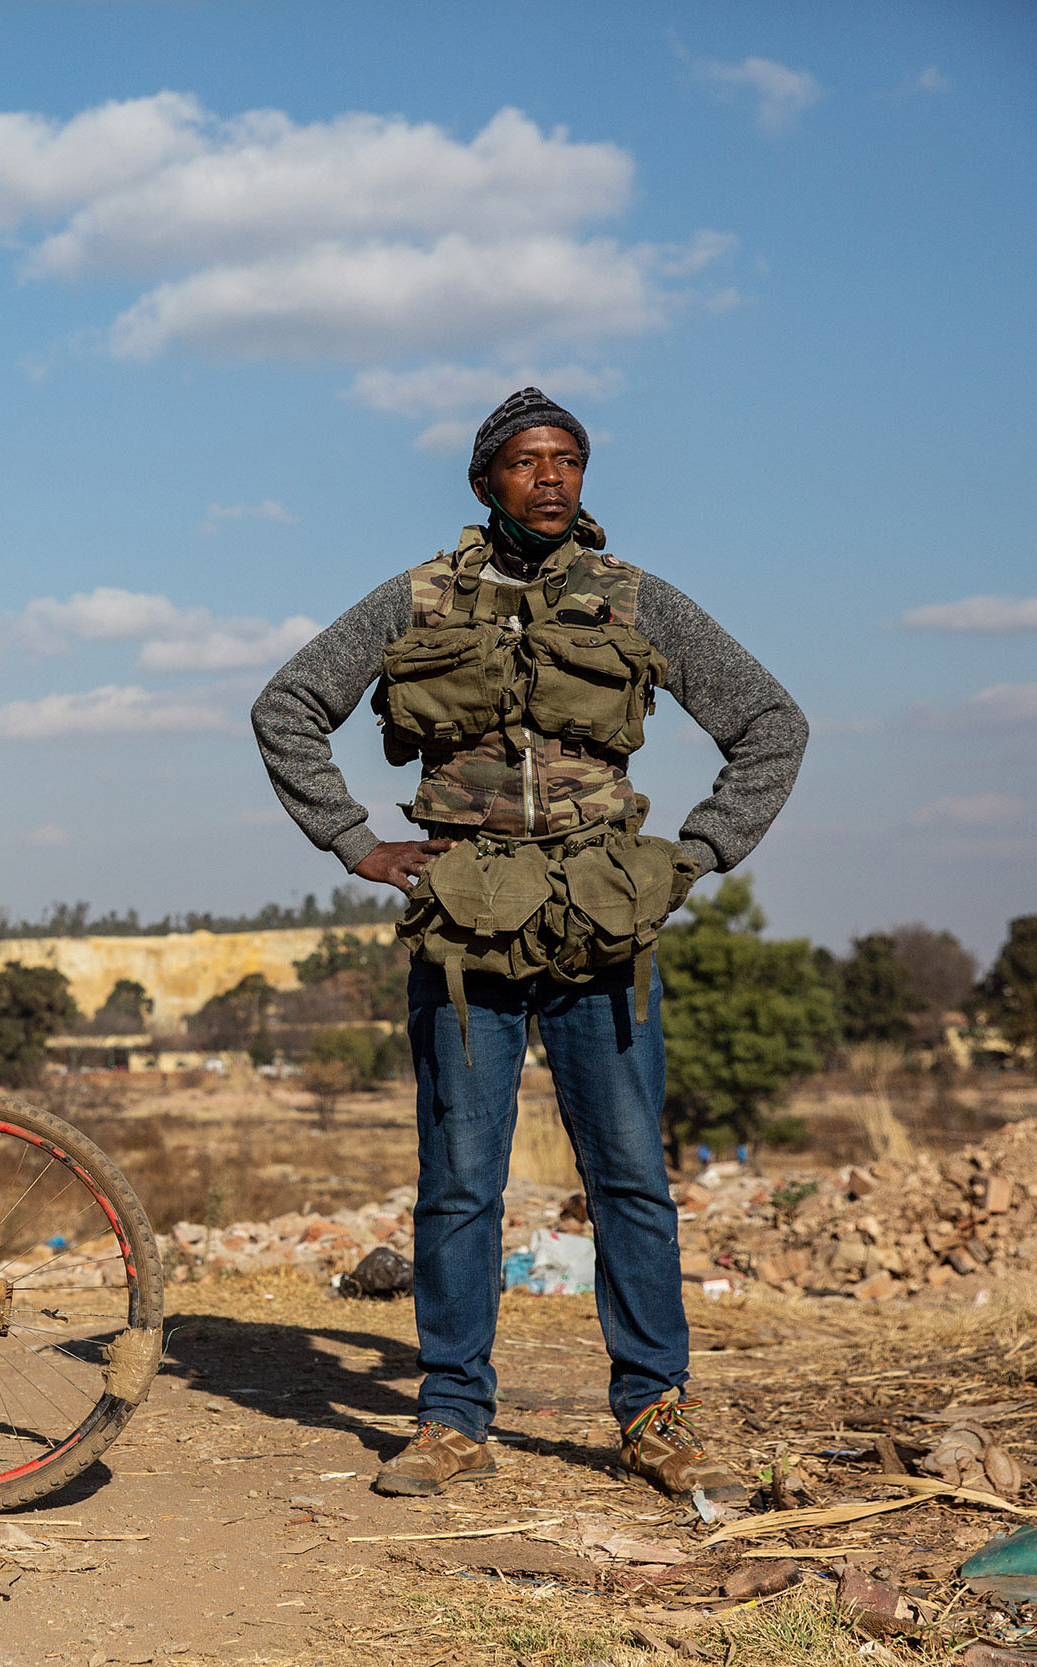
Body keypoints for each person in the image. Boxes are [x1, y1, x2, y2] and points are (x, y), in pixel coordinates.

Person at [251, 389, 807, 1500]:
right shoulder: (414, 599)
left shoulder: (635, 600)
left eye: (567, 459)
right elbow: (287, 708)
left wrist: (693, 856)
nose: (549, 476)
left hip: (603, 928)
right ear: (483, 482)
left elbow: (769, 724)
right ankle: (452, 1418)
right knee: (459, 1184)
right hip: (463, 933)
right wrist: (359, 842)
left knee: (630, 1179)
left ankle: (655, 1410)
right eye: (524, 460)